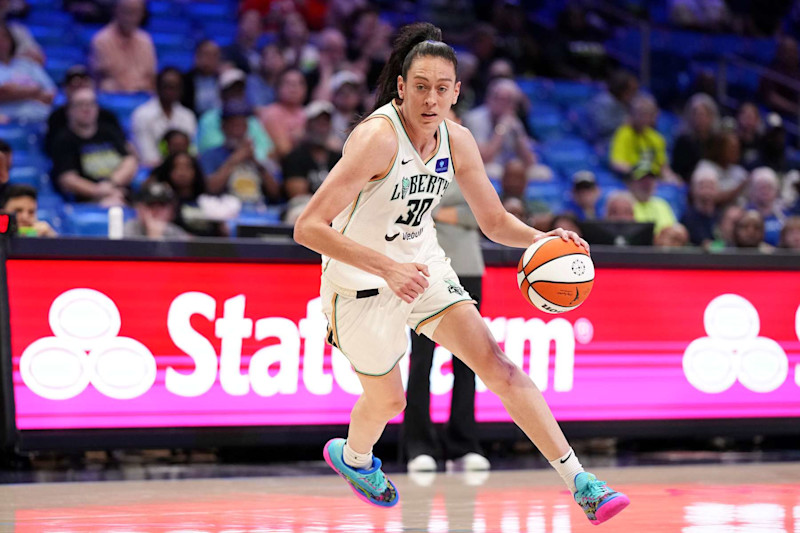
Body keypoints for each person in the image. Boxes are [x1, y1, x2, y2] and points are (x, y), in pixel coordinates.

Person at [293, 22, 629, 524]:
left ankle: (582, 481)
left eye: (442, 88)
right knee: (389, 400)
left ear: (457, 92)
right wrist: (387, 268)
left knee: (497, 363)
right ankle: (355, 457)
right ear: (402, 88)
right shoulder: (375, 139)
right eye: (421, 87)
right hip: (358, 281)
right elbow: (307, 227)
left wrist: (542, 239)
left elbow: (493, 222)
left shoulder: (459, 140)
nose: (431, 99)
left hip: (424, 266)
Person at [402, 109, 489, 475]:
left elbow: (483, 212)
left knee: (470, 361)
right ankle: (418, 446)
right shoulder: (410, 150)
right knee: (421, 360)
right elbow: (407, 205)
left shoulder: (466, 150)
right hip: (424, 265)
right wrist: (451, 208)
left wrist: (438, 209)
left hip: (468, 266)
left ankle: (463, 443)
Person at [51, 86, 137, 205]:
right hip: (88, 201)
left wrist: (111, 184)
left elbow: (130, 161)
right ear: (70, 110)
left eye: (91, 104)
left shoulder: (109, 132)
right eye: (80, 104)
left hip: (120, 192)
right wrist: (98, 191)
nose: (86, 109)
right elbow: (67, 179)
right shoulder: (63, 140)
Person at [200, 99, 280, 207]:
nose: (238, 131)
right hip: (226, 211)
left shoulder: (257, 155)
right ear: (223, 127)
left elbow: (275, 193)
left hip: (258, 210)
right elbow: (211, 188)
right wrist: (235, 159)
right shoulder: (210, 155)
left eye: (242, 125)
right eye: (234, 125)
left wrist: (256, 163)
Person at [462, 77, 537, 179]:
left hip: (506, 168)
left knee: (540, 173)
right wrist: (501, 128)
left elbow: (530, 161)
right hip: (478, 168)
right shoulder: (475, 119)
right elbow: (483, 158)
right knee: (495, 171)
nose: (501, 104)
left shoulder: (513, 121)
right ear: (488, 98)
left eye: (508, 100)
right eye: (498, 98)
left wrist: (518, 134)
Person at [45, 65, 125, 158]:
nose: (80, 89)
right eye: (75, 86)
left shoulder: (108, 117)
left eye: (84, 85)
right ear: (66, 89)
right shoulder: (56, 118)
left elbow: (125, 149)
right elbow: (53, 153)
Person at [131, 67, 197, 167]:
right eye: (167, 87)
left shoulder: (188, 116)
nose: (171, 92)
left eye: (176, 87)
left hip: (183, 170)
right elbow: (147, 156)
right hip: (153, 170)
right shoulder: (142, 115)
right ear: (158, 87)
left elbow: (191, 150)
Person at [89, 0, 156, 93]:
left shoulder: (146, 41)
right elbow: (101, 78)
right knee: (107, 85)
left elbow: (150, 77)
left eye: (136, 12)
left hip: (141, 94)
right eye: (127, 11)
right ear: (116, 11)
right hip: (112, 96)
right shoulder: (101, 40)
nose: (131, 17)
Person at [0, 23, 55, 123]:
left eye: (4, 37)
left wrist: (13, 92)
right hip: (6, 122)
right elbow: (2, 93)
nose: (2, 42)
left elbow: (50, 94)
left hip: (39, 119)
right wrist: (34, 91)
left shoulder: (28, 64)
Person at [609, 94, 671, 179]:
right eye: (641, 114)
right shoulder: (623, 133)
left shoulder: (657, 138)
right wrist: (639, 173)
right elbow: (617, 163)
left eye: (647, 114)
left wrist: (674, 181)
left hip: (654, 180)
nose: (644, 118)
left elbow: (663, 168)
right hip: (632, 179)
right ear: (632, 114)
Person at [257, 67, 308, 160]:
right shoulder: (271, 113)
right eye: (289, 83)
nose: (294, 88)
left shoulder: (307, 113)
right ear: (278, 88)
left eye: (299, 84)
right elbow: (284, 150)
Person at [671, 93, 719, 182]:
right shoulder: (682, 141)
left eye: (703, 115)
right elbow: (677, 171)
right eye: (696, 114)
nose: (700, 119)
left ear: (712, 116)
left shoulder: (718, 140)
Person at [124, 181, 189, 239]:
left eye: (162, 205)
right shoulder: (127, 231)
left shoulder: (177, 235)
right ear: (139, 209)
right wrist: (154, 237)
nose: (156, 210)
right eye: (150, 205)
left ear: (171, 211)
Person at [626, 163, 677, 235]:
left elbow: (672, 231)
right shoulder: (624, 204)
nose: (647, 184)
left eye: (651, 179)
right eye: (642, 180)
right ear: (630, 183)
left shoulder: (662, 204)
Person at [681, 162, 720, 247]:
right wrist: (718, 247)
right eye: (702, 187)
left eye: (711, 187)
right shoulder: (688, 218)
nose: (707, 192)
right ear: (693, 190)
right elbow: (704, 244)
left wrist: (719, 247)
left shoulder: (720, 216)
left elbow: (725, 243)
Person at [182, 40, 222, 117]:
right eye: (206, 54)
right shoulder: (184, 81)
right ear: (196, 56)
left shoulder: (224, 80)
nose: (210, 59)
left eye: (214, 55)